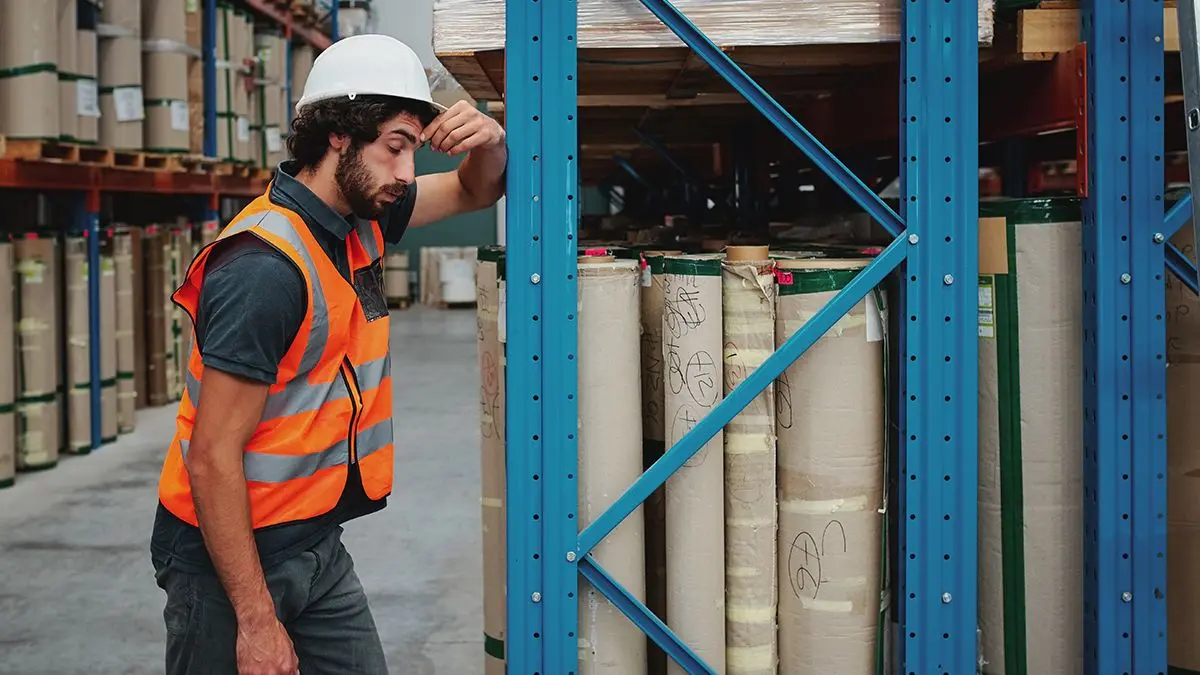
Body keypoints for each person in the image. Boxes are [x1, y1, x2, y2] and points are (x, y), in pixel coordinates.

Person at [148, 34, 506, 675]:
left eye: (413, 152)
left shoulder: (357, 216)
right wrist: (255, 622)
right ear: (339, 134)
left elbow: (475, 192)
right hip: (226, 558)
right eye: (395, 148)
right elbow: (210, 458)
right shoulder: (263, 269)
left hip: (313, 541)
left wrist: (491, 140)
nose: (406, 173)